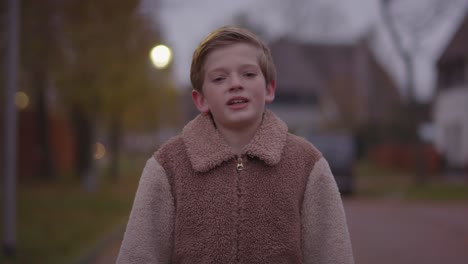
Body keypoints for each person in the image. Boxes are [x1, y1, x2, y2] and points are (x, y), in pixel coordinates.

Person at [116, 25, 354, 264]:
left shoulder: (306, 164)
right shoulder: (168, 166)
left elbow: (333, 254)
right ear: (201, 100)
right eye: (219, 78)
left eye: (248, 74)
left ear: (269, 89)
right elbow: (138, 255)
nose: (235, 84)